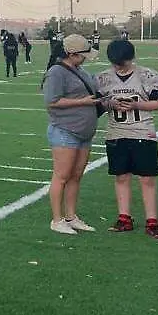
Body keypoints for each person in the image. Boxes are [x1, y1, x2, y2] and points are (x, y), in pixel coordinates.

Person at [96, 39, 158, 240]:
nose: (118, 66)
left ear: (131, 58)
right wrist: (109, 103)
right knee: (121, 176)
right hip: (116, 133)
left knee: (147, 178)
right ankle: (124, 218)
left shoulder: (146, 75)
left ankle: (152, 222)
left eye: (122, 62)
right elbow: (97, 105)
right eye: (115, 62)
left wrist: (137, 106)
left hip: (142, 132)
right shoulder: (103, 78)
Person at [42, 34, 101, 236]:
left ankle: (71, 217)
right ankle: (57, 220)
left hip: (84, 132)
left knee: (76, 176)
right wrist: (82, 102)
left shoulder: (80, 70)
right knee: (62, 176)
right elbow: (51, 101)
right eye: (83, 55)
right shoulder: (56, 72)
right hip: (65, 131)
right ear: (72, 54)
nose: (85, 58)